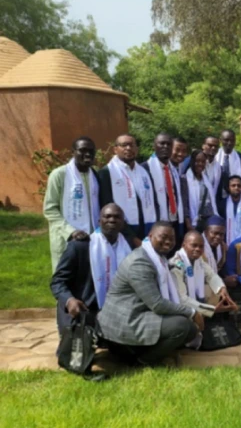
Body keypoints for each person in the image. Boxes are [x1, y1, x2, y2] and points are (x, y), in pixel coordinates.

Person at [98, 222, 203, 366]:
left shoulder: (157, 257)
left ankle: (150, 351)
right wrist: (192, 312)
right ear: (150, 236)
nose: (168, 242)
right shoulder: (140, 262)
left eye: (171, 238)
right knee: (183, 326)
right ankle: (145, 360)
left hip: (139, 311)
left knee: (188, 328)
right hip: (125, 321)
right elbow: (157, 304)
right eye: (163, 237)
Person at [51, 204, 131, 333]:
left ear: (123, 223)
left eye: (117, 217)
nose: (112, 220)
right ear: (99, 221)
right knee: (79, 351)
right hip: (86, 310)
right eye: (107, 216)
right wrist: (69, 300)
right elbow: (57, 281)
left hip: (118, 311)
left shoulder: (129, 249)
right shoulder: (80, 246)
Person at [44, 136, 100, 271]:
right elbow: (50, 209)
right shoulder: (59, 175)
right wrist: (71, 231)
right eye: (82, 150)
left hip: (92, 239)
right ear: (72, 152)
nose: (87, 154)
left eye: (91, 151)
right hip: (66, 237)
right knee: (66, 280)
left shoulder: (95, 175)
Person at [99, 134, 157, 248]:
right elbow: (107, 205)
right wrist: (132, 237)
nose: (128, 148)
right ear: (115, 149)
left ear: (137, 149)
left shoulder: (144, 171)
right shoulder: (107, 172)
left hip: (146, 228)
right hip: (122, 232)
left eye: (132, 145)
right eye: (124, 145)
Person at [169, 231, 237, 318]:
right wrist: (213, 310)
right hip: (178, 305)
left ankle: (203, 317)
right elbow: (182, 299)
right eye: (194, 245)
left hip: (192, 297)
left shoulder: (198, 259)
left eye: (201, 246)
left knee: (215, 289)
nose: (198, 249)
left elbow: (211, 275)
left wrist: (222, 289)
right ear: (184, 245)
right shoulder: (175, 265)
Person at [142, 133, 185, 248]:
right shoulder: (144, 169)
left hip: (174, 221)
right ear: (154, 146)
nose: (165, 147)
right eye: (162, 143)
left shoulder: (174, 169)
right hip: (157, 223)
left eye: (169, 144)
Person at [181, 150, 217, 233]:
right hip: (195, 223)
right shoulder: (185, 179)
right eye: (197, 161)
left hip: (209, 220)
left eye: (203, 161)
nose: (200, 164)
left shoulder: (206, 179)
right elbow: (184, 204)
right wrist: (188, 225)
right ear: (192, 161)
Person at [216, 130, 241, 201]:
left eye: (232, 140)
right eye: (226, 140)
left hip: (237, 198)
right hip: (217, 199)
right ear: (220, 140)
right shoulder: (215, 157)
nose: (229, 143)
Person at [218, 175, 241, 245]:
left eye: (239, 185)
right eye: (233, 185)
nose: (236, 188)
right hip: (225, 244)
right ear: (228, 187)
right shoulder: (222, 205)